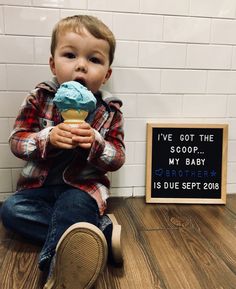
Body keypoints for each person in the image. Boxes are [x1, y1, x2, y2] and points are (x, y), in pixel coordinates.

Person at [0, 15, 125, 289]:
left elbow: (117, 158)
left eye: (94, 60)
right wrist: (48, 137)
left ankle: (62, 270)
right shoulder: (39, 97)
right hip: (38, 190)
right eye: (70, 55)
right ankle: (99, 231)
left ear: (106, 74)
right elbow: (17, 142)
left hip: (82, 190)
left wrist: (96, 143)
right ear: (53, 64)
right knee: (10, 211)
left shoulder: (110, 112)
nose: (81, 65)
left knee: (72, 206)